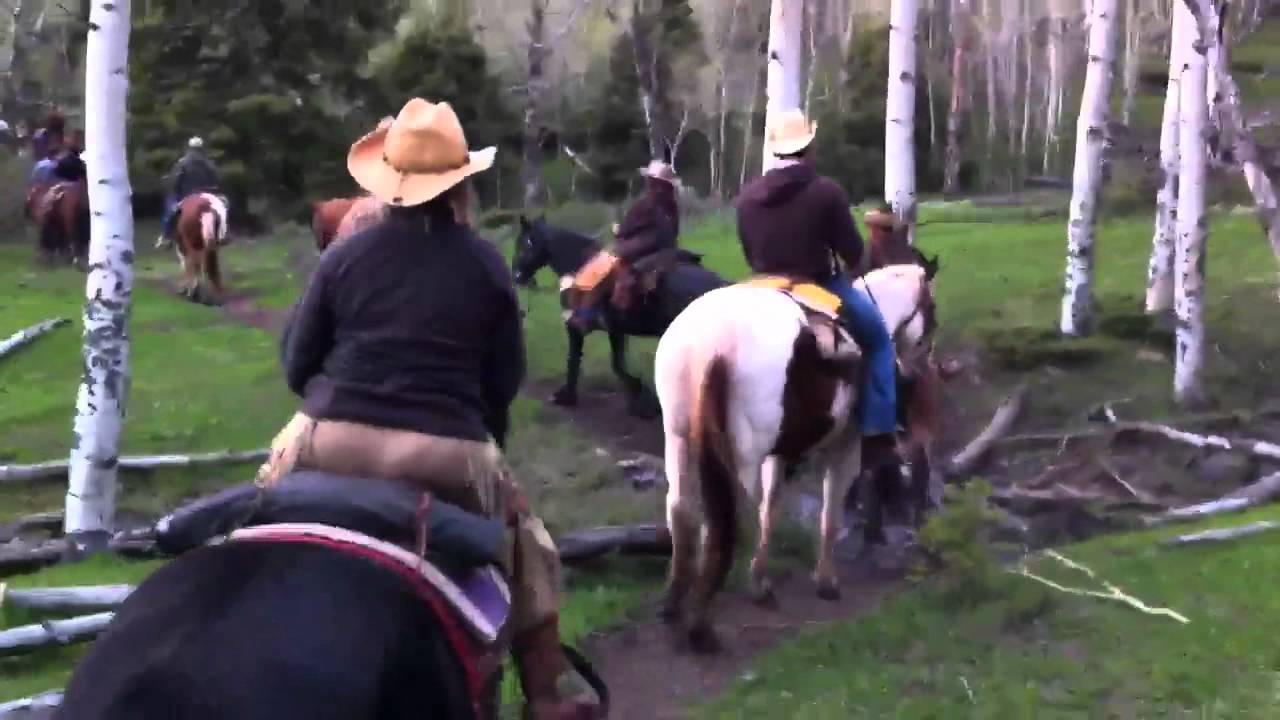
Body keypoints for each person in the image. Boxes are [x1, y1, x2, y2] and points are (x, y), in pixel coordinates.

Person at [257, 98, 601, 720]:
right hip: (448, 452)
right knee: (529, 549)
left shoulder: (342, 255)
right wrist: (485, 444)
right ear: (458, 186)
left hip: (331, 436)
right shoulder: (486, 264)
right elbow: (503, 383)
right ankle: (547, 694)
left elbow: (296, 365)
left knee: (257, 510)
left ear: (387, 182)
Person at [734, 109, 900, 470]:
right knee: (879, 341)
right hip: (817, 285)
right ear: (809, 146)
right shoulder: (826, 191)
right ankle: (878, 431)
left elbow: (749, 251)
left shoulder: (746, 197)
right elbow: (854, 254)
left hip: (761, 285)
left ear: (777, 150)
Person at [570, 159, 681, 330]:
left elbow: (625, 231)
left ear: (652, 182)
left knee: (600, 269)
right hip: (665, 249)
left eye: (649, 180)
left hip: (641, 249)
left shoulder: (645, 204)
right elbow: (673, 232)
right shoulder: (671, 205)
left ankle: (586, 315)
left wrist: (618, 231)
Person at [157, 136, 220, 249]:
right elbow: (215, 181)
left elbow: (175, 181)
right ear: (202, 148)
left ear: (189, 148)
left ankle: (166, 237)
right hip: (206, 196)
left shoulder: (182, 163)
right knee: (223, 208)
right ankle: (222, 234)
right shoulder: (209, 163)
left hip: (186, 196)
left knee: (169, 211)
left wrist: (173, 190)